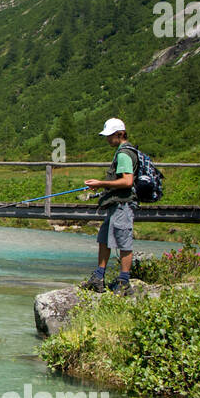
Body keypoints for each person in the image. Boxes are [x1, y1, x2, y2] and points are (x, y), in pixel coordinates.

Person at [83, 118, 137, 294]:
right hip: (116, 205)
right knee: (104, 239)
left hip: (123, 205)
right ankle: (98, 277)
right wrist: (102, 185)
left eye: (110, 136)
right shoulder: (122, 152)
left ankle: (123, 281)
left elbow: (127, 181)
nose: (107, 139)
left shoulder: (123, 154)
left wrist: (100, 183)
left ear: (120, 134)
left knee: (123, 241)